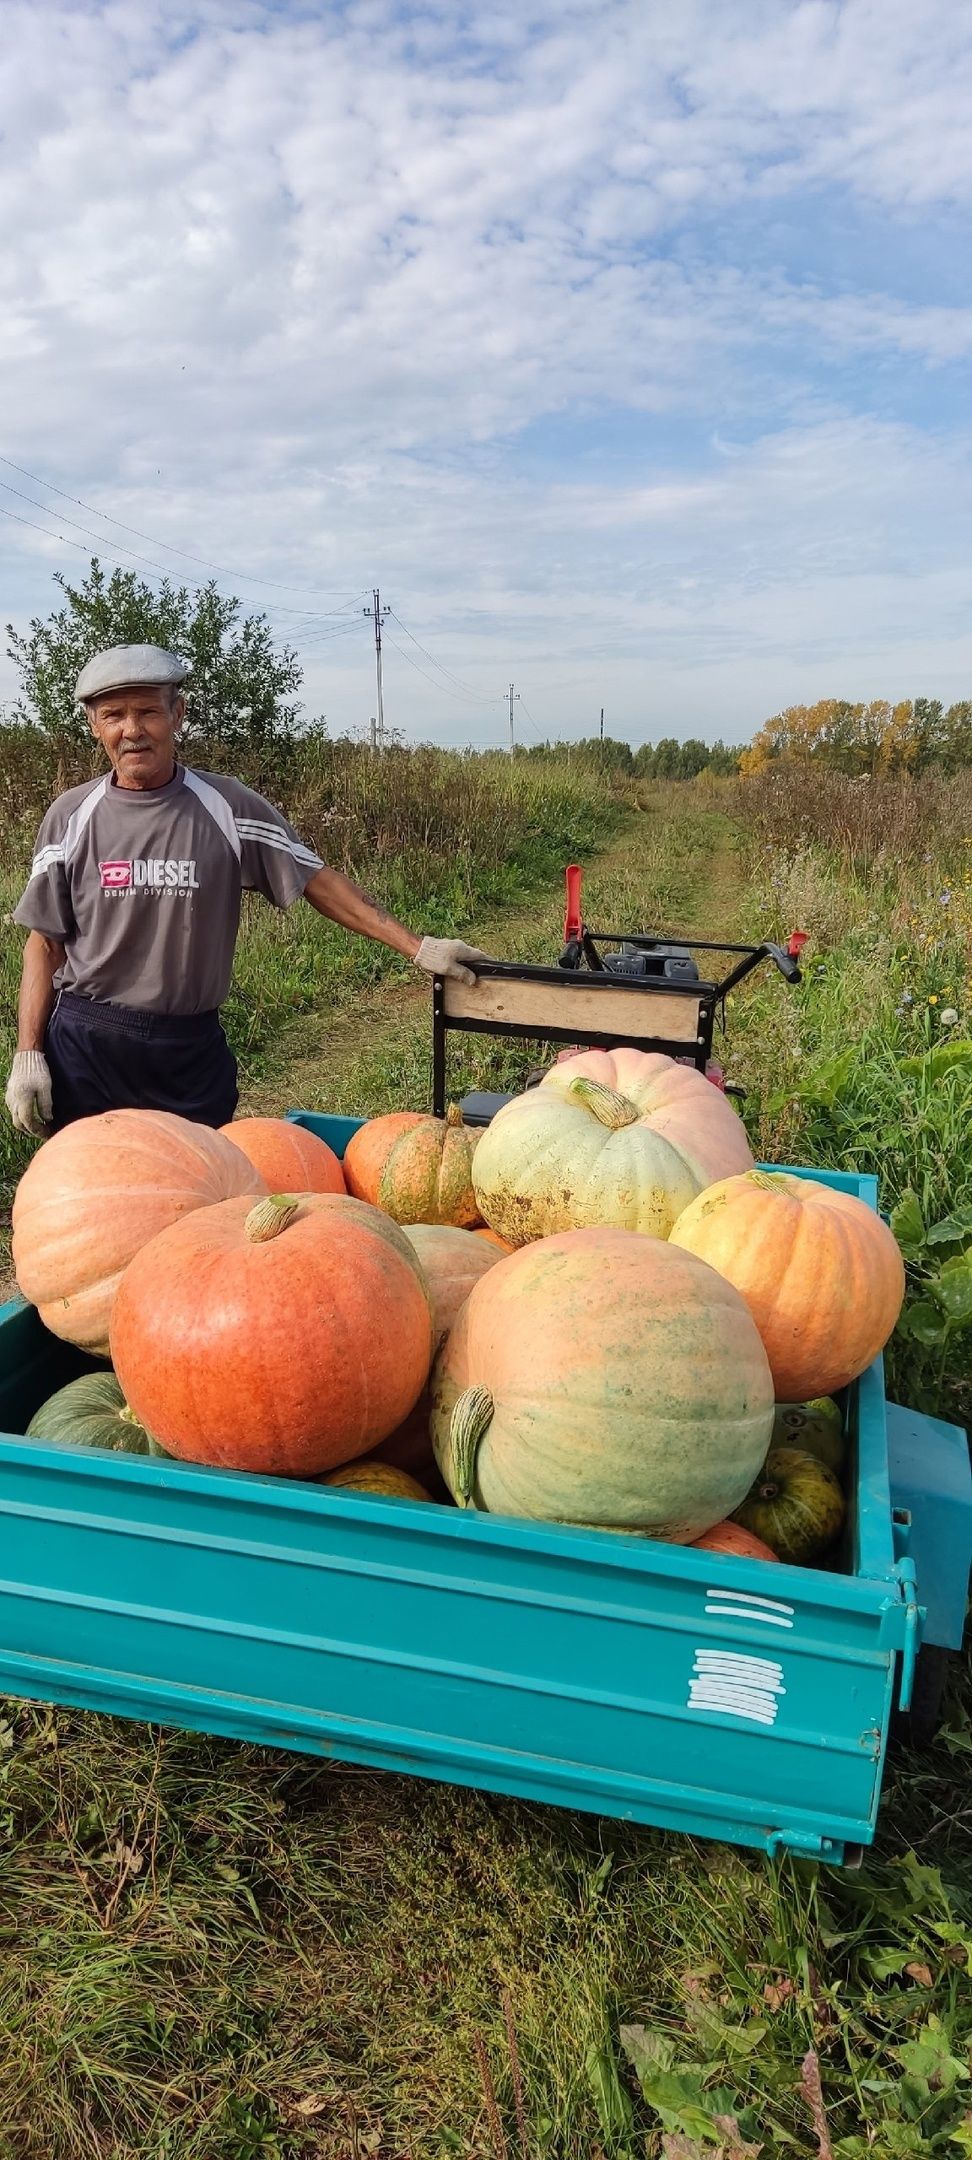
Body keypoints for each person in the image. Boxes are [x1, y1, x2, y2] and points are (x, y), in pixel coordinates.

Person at [5, 644, 490, 1135]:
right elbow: (44, 943)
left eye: (148, 711)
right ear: (94, 725)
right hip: (88, 1043)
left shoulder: (229, 807)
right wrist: (28, 1055)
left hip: (186, 1049)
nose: (131, 730)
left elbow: (317, 881)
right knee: (87, 1196)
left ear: (178, 713)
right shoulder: (70, 816)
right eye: (113, 715)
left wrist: (418, 947)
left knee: (199, 1194)